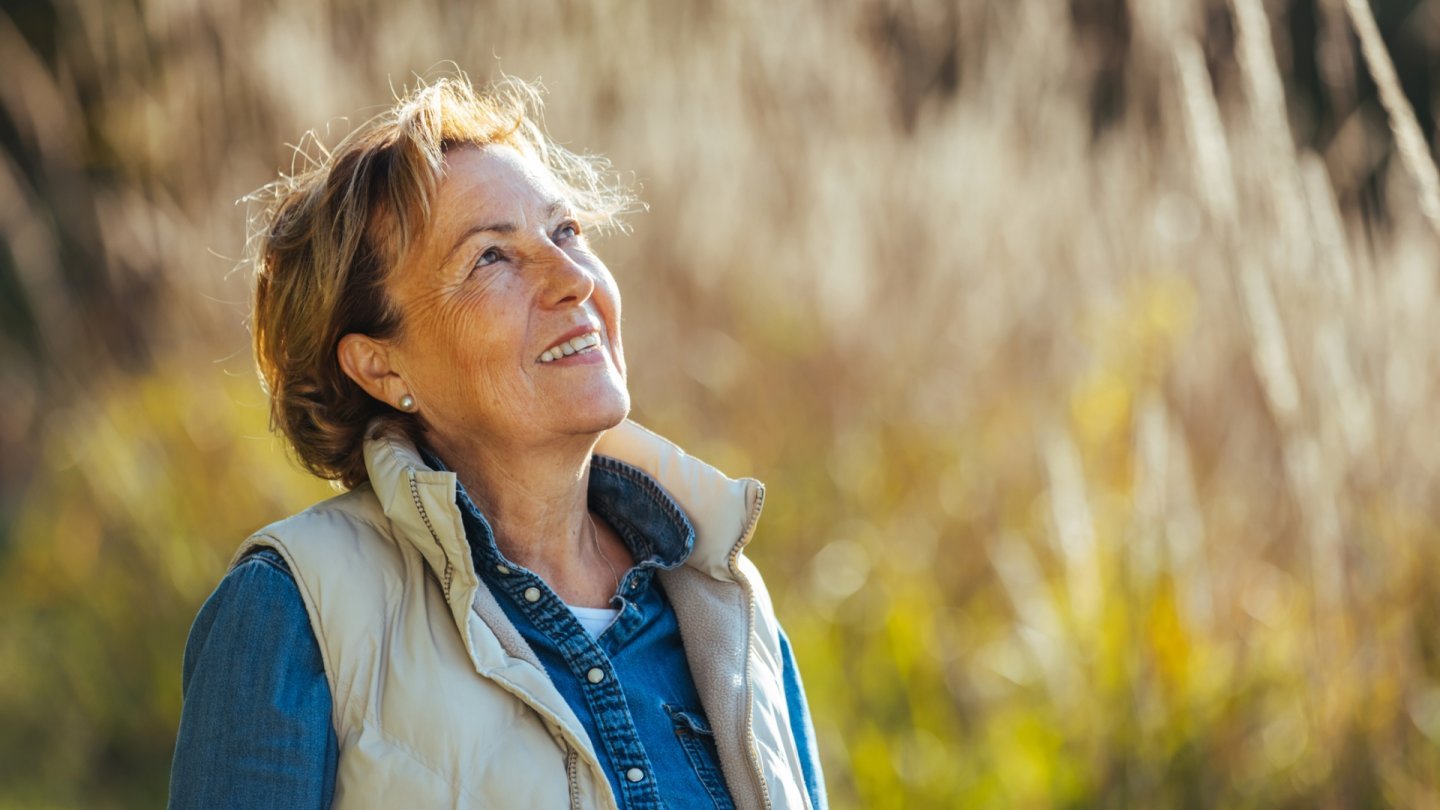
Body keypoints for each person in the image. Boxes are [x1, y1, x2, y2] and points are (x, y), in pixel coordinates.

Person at [166, 74, 826, 810]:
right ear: (381, 366)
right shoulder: (292, 608)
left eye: (566, 231)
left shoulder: (724, 601)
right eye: (491, 258)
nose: (573, 278)